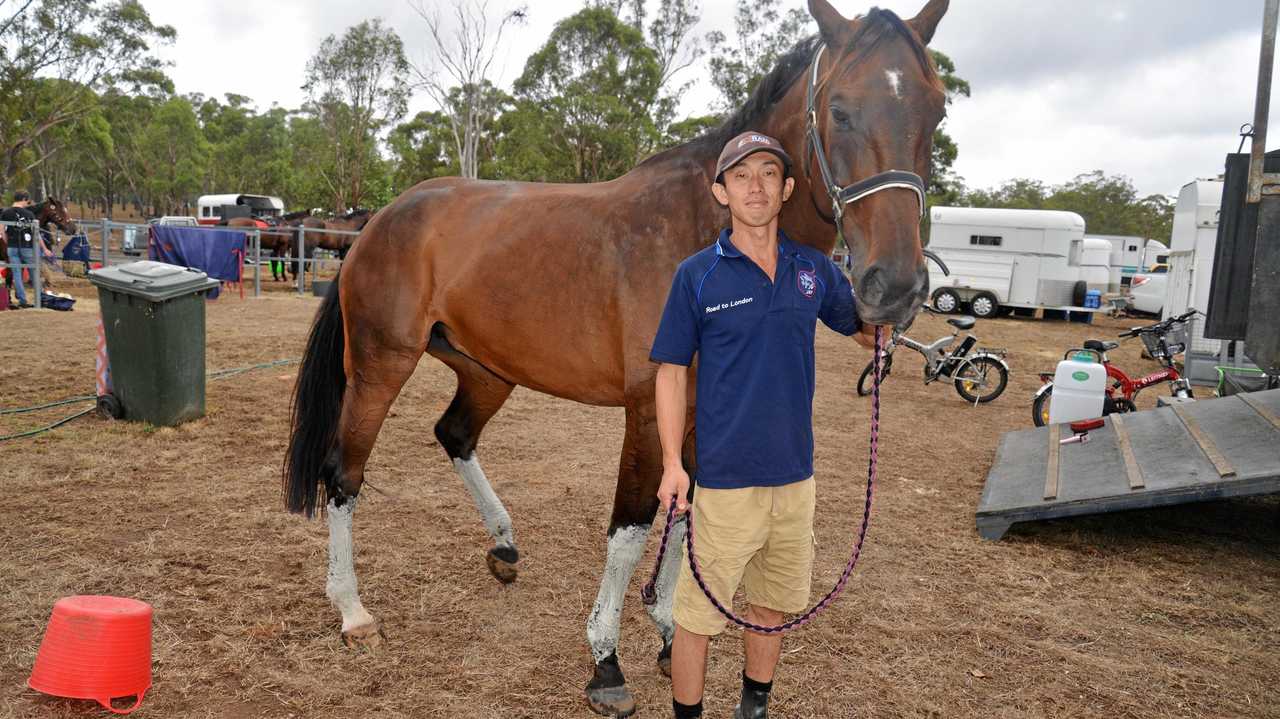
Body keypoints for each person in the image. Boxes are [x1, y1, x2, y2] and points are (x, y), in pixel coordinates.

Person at [649, 131, 878, 719]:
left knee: (771, 606)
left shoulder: (813, 270)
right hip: (724, 482)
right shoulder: (697, 275)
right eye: (742, 175)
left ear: (788, 189)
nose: (756, 185)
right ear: (720, 190)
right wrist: (674, 464)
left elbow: (860, 327)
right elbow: (671, 373)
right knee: (696, 619)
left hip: (795, 477)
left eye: (769, 174)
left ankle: (754, 708)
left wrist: (885, 314)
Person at [1, 191, 38, 309]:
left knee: (16, 273)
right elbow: (35, 233)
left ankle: (22, 300)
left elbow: (2, 231)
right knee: (34, 272)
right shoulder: (29, 214)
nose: (27, 203)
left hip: (12, 246)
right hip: (26, 247)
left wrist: (8, 242)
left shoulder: (5, 213)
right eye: (27, 201)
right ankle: (40, 298)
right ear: (23, 199)